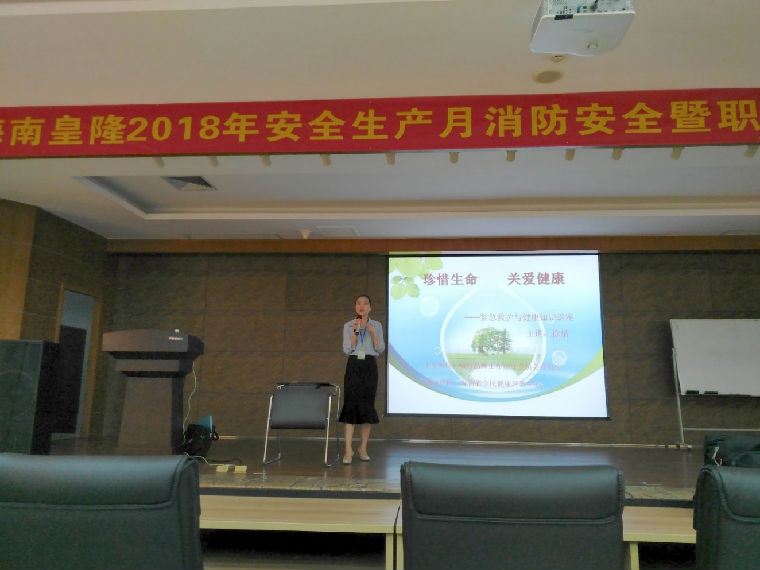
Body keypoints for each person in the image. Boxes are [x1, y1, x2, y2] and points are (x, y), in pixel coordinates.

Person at [339, 294, 385, 465]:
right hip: (354, 366)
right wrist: (356, 332)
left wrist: (373, 334)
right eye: (359, 303)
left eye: (365, 303)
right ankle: (348, 450)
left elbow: (380, 349)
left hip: (369, 366)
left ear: (370, 308)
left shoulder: (377, 325)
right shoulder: (348, 325)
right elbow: (347, 348)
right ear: (355, 307)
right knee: (350, 406)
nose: (362, 306)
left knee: (367, 407)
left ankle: (363, 448)